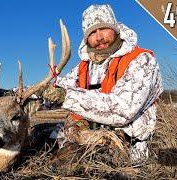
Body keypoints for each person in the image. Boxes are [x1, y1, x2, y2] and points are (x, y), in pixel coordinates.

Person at [43, 4, 163, 164]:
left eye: (104, 29)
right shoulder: (83, 67)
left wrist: (66, 97)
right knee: (42, 136)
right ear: (86, 38)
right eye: (92, 32)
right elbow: (56, 90)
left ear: (115, 28)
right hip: (84, 139)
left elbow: (124, 110)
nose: (99, 37)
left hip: (126, 148)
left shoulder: (141, 60)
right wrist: (17, 95)